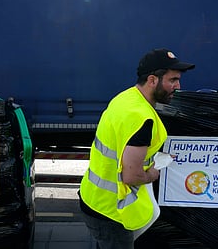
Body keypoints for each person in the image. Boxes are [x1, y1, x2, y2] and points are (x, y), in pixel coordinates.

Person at [78, 48, 195, 249]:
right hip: (111, 212)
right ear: (152, 80)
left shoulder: (126, 98)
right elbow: (131, 177)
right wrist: (152, 174)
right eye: (172, 80)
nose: (178, 86)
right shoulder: (142, 119)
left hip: (95, 199)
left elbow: (122, 146)